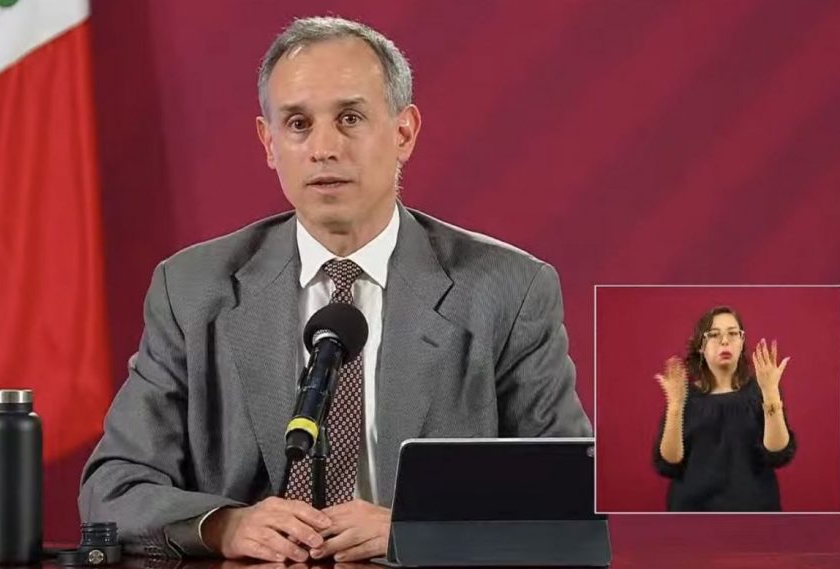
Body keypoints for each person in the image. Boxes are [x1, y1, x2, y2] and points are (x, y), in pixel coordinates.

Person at [79, 16, 591, 562]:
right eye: (298, 124)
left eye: (350, 118)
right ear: (269, 142)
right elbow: (113, 487)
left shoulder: (507, 290)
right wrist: (225, 525)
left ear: (404, 133)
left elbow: (570, 492)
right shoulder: (192, 290)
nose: (323, 148)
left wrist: (417, 528)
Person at [654, 305, 796, 511]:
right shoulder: (684, 394)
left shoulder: (762, 389)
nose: (724, 341)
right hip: (692, 511)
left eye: (733, 333)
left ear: (742, 342)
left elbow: (778, 452)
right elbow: (670, 461)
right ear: (700, 346)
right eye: (714, 334)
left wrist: (771, 393)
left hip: (755, 510)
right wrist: (675, 406)